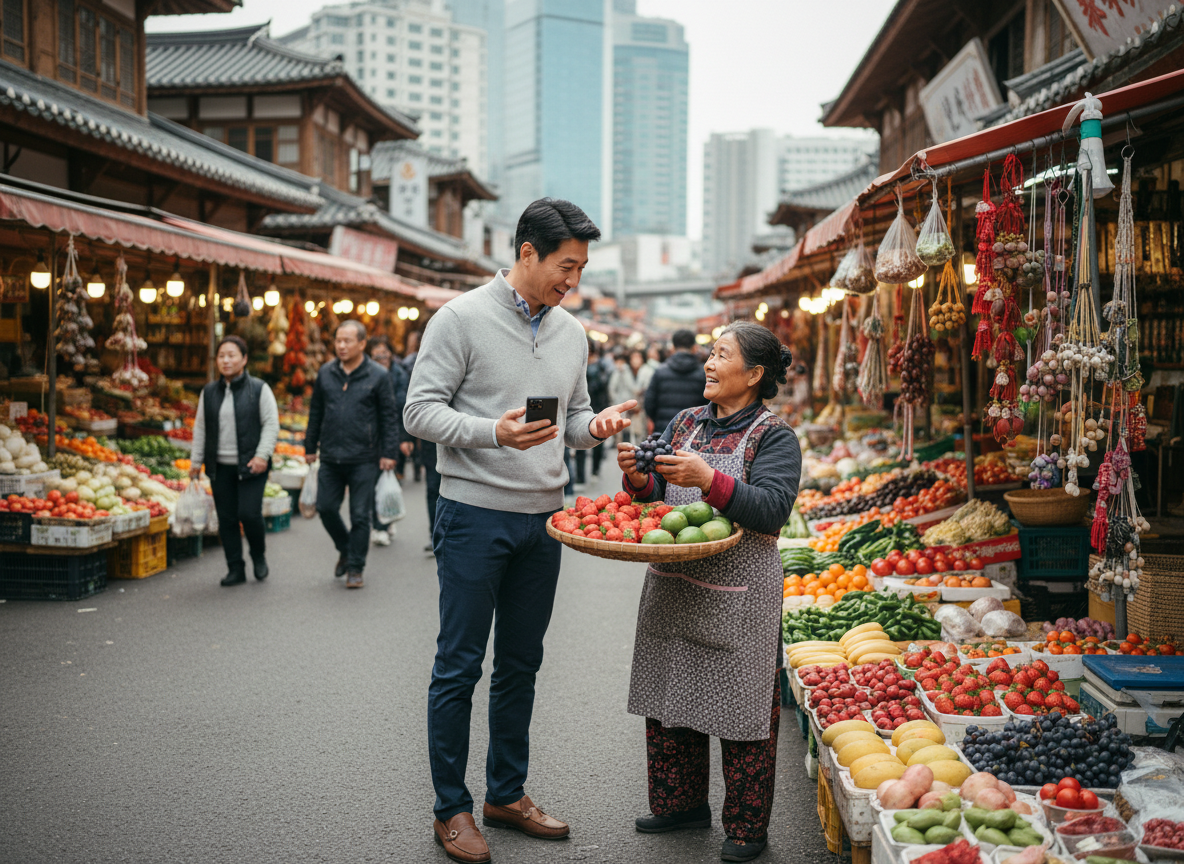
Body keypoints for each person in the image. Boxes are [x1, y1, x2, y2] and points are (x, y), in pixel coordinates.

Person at [404, 198, 636, 864]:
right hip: (473, 514)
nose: (575, 281)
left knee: (521, 665)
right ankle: (452, 809)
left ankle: (506, 793)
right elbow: (419, 412)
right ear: (527, 252)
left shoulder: (572, 332)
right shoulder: (460, 319)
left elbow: (574, 418)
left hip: (545, 519)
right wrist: (490, 432)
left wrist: (597, 428)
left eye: (582, 268)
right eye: (567, 266)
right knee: (458, 666)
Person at [617, 322, 801, 863]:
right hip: (674, 583)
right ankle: (679, 803)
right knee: (672, 693)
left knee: (742, 707)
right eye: (710, 354)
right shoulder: (686, 423)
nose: (710, 364)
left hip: (740, 590)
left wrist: (709, 481)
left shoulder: (775, 436)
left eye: (723, 356)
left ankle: (746, 827)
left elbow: (771, 511)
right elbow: (660, 500)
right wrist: (637, 481)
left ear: (755, 374)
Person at [303, 320, 401, 589]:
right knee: (325, 508)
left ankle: (355, 567)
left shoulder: (378, 376)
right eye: (338, 341)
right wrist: (310, 447)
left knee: (360, 515)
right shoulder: (325, 373)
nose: (342, 345)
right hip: (331, 456)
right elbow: (316, 413)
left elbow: (389, 417)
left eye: (347, 341)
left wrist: (389, 452)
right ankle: (346, 548)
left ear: (361, 343)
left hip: (364, 458)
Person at [189, 335, 279, 587]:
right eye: (221, 356)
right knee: (227, 518)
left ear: (244, 358)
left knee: (249, 514)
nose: (226, 360)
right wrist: (196, 462)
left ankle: (258, 555)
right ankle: (235, 567)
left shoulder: (259, 389)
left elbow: (271, 424)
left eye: (232, 355)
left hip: (252, 464)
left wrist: (262, 455)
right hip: (219, 466)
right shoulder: (208, 392)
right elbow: (200, 428)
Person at [366, 336, 415, 545]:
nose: (381, 356)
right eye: (376, 353)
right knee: (371, 482)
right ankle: (383, 518)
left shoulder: (399, 375)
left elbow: (405, 406)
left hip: (391, 433)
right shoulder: (365, 374)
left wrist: (405, 438)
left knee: (385, 477)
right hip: (367, 436)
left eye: (384, 352)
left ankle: (381, 526)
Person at [645, 329, 708, 437]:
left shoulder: (660, 371)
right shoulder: (704, 374)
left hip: (663, 431)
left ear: (673, 348)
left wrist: (658, 420)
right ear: (694, 348)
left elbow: (649, 403)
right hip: (693, 432)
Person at [574, 343, 611, 487]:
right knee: (591, 442)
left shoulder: (594, 368)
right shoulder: (601, 367)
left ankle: (582, 476)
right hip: (596, 408)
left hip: (592, 408)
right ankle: (591, 472)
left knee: (582, 443)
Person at [608, 347, 653, 445]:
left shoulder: (648, 372)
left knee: (641, 438)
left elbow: (650, 392)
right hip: (624, 409)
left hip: (641, 411)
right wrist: (618, 405)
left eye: (638, 357)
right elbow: (612, 389)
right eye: (634, 357)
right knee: (625, 437)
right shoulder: (622, 371)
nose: (636, 360)